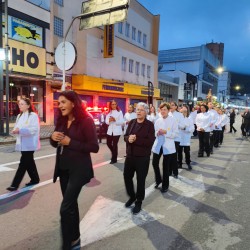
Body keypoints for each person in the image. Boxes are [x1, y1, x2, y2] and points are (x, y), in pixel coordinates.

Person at [50, 91, 99, 250]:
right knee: (71, 206)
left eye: (63, 102)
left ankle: (66, 246)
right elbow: (56, 144)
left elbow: (94, 147)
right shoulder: (62, 121)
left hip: (79, 170)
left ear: (73, 103)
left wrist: (70, 142)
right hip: (63, 168)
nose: (60, 105)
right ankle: (75, 238)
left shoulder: (86, 121)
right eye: (59, 103)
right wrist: (53, 138)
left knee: (65, 208)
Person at [123, 102, 155, 215]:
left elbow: (150, 141)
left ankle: (139, 201)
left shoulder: (150, 125)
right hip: (130, 156)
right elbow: (125, 136)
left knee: (140, 180)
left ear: (146, 112)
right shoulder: (132, 122)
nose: (138, 112)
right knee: (127, 177)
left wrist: (136, 140)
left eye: (141, 110)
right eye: (137, 109)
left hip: (142, 158)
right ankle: (132, 196)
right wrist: (128, 139)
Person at [6, 98, 40, 192]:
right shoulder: (19, 116)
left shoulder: (33, 115)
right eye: (19, 104)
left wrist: (20, 131)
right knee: (29, 162)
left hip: (29, 143)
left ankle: (14, 184)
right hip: (22, 143)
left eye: (22, 104)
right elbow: (17, 127)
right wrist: (15, 131)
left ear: (28, 105)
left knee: (23, 163)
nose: (20, 106)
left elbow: (34, 129)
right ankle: (35, 179)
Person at [152, 102, 178, 193]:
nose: (163, 111)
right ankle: (158, 180)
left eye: (165, 110)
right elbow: (154, 132)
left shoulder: (173, 120)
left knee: (165, 166)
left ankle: (165, 185)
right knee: (154, 163)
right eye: (161, 109)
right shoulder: (158, 120)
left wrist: (166, 132)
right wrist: (157, 133)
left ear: (169, 110)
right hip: (158, 144)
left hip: (168, 146)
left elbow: (175, 134)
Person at [169, 101, 185, 175]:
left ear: (176, 107)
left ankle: (175, 171)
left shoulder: (179, 115)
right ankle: (168, 171)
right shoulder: (167, 114)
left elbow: (183, 126)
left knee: (174, 155)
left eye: (173, 105)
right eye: (170, 105)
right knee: (168, 155)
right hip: (168, 138)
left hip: (176, 138)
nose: (171, 106)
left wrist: (176, 124)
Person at [178, 105, 194, 170]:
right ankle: (179, 163)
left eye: (185, 111)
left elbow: (192, 128)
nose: (184, 113)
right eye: (182, 111)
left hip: (186, 138)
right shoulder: (178, 119)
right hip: (179, 138)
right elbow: (177, 126)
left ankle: (188, 163)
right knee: (179, 152)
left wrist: (186, 129)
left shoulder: (189, 119)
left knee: (187, 152)